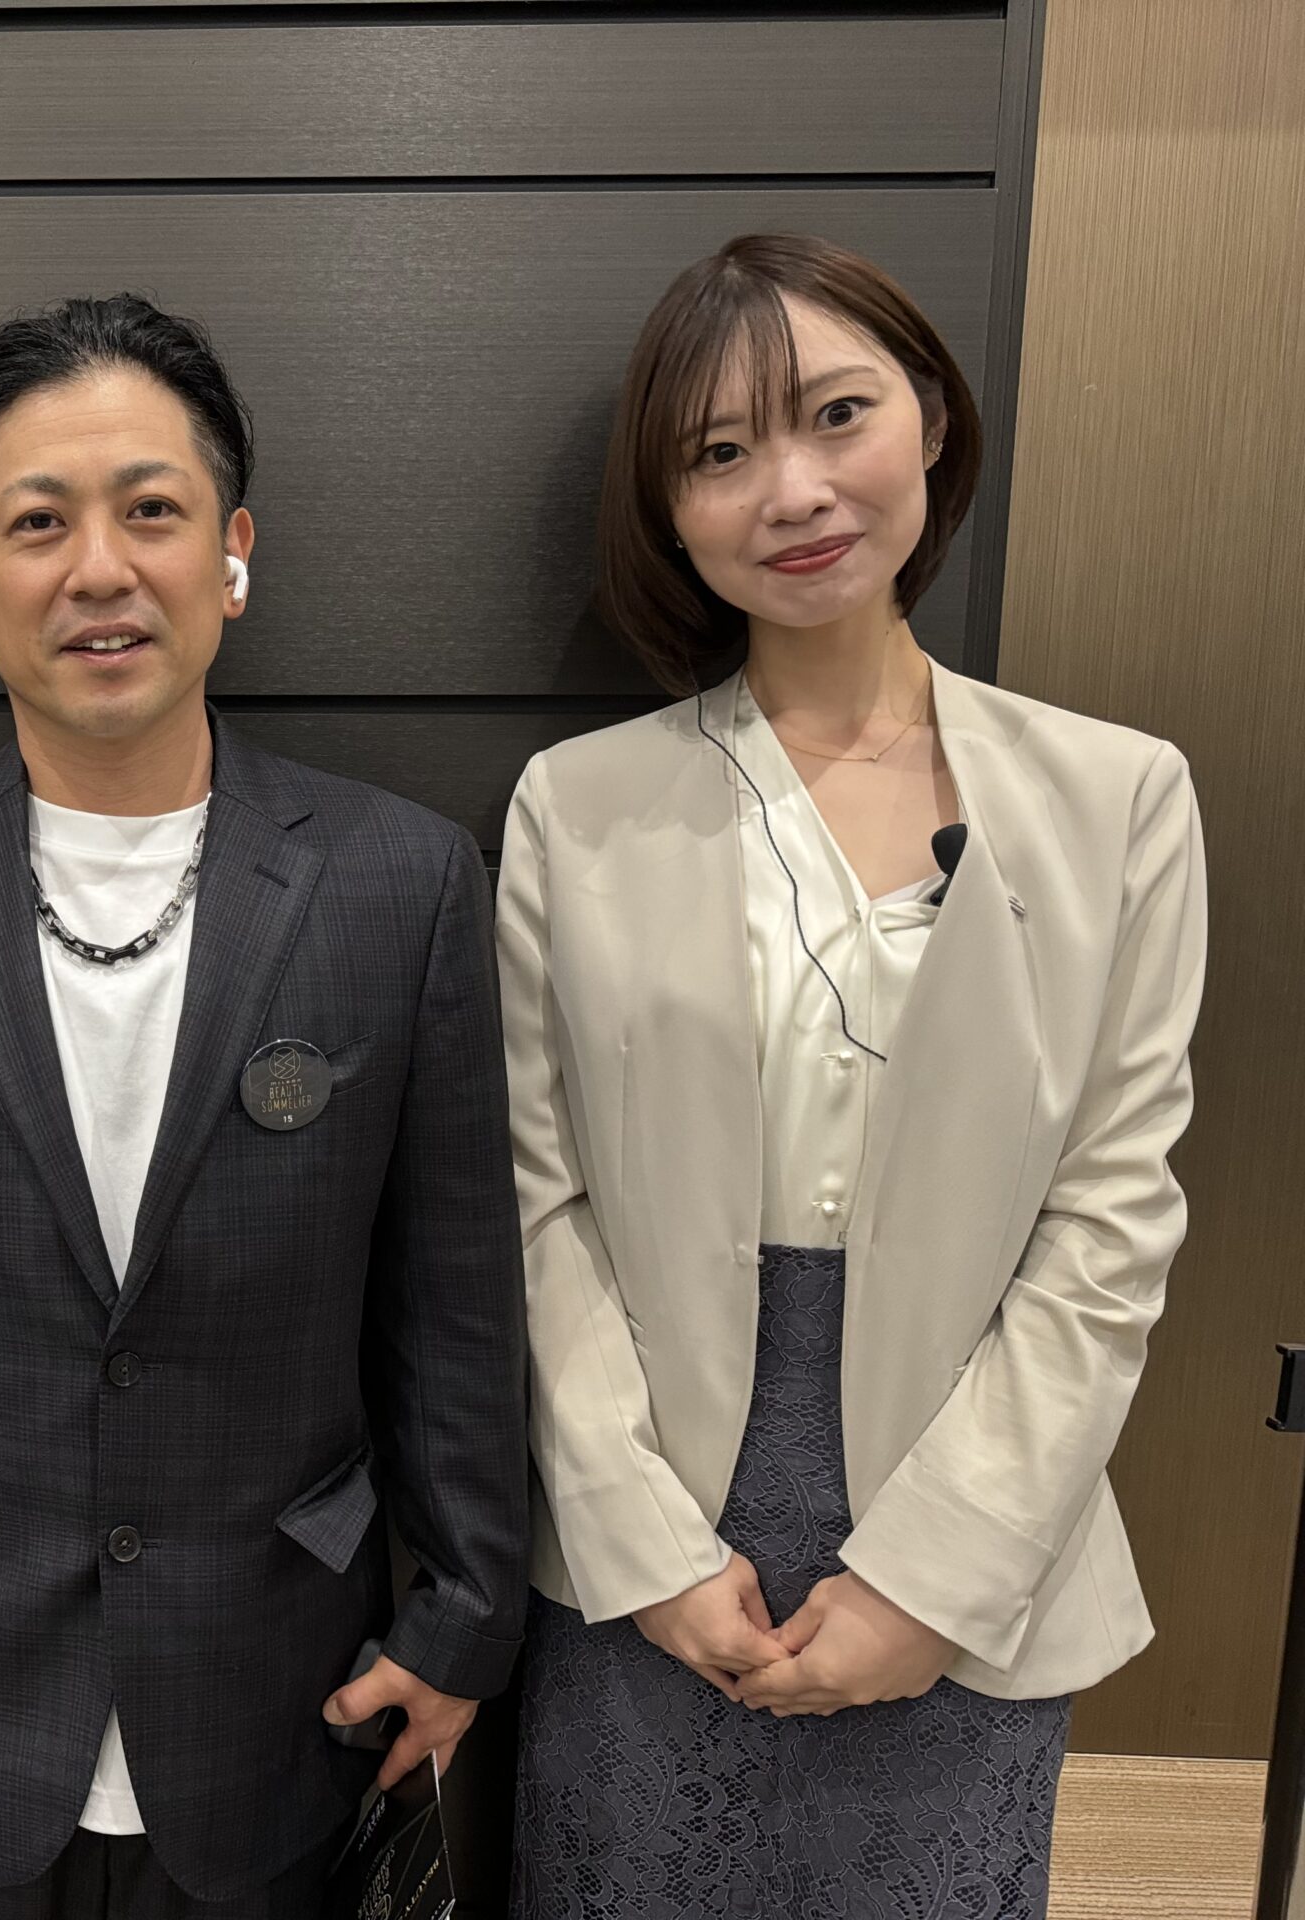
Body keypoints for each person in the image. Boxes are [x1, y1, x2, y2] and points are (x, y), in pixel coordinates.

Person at [0, 293, 529, 1919]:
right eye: (38, 524)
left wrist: (463, 1618)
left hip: (283, 1687)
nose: (100, 568)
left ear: (232, 554)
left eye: (151, 511)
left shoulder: (400, 882)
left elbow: (453, 1302)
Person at [501, 233, 1208, 1917]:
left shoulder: (1118, 801)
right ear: (672, 511)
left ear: (934, 422)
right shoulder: (577, 808)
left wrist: (935, 1579)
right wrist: (646, 1550)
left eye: (838, 415)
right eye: (721, 451)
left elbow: (1112, 1218)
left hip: (979, 1540)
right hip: (654, 1546)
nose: (795, 491)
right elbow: (536, 1203)